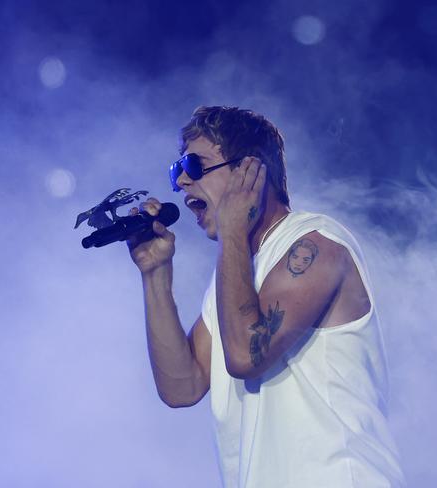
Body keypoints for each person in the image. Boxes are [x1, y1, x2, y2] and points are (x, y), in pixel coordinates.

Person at [127, 106, 405, 487]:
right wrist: (155, 274)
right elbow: (182, 386)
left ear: (251, 171)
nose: (182, 185)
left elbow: (245, 356)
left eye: (193, 166)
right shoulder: (232, 276)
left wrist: (232, 231)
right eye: (176, 173)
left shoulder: (317, 243)